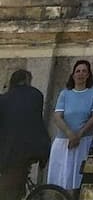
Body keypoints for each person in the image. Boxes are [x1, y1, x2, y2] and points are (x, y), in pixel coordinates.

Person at [48, 60, 93, 194]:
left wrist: (79, 135)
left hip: (83, 142)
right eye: (78, 71)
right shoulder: (65, 94)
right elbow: (57, 116)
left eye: (84, 71)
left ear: (88, 75)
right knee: (60, 183)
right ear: (73, 75)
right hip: (64, 142)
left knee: (80, 183)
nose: (81, 74)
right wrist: (70, 134)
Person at [0, 69, 50, 200]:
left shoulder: (4, 99)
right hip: (35, 148)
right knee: (16, 182)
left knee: (7, 189)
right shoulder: (36, 94)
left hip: (11, 151)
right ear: (27, 80)